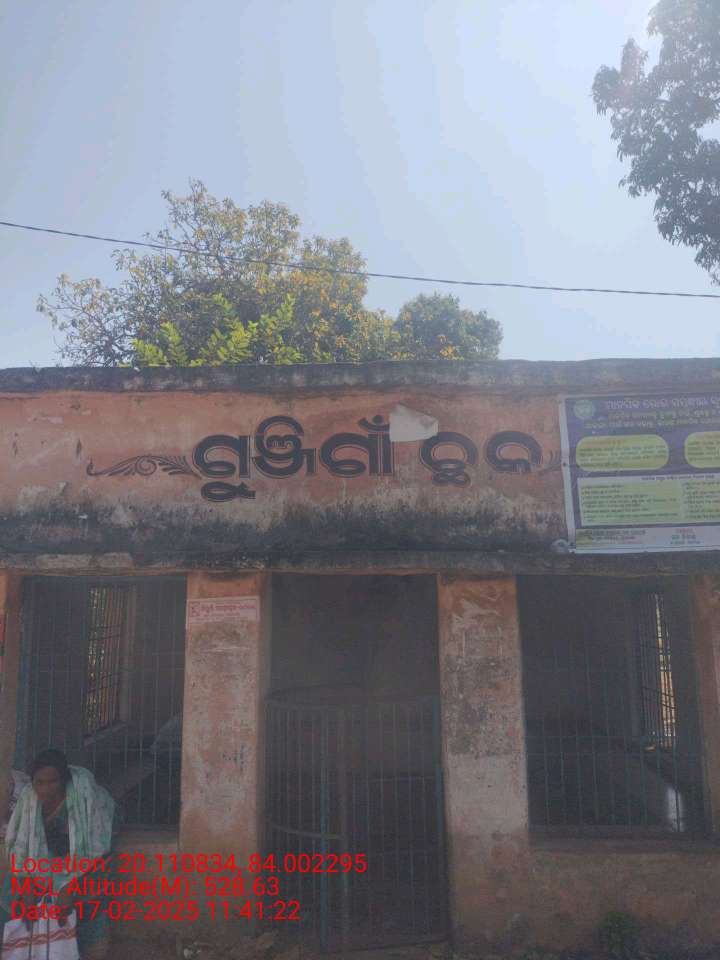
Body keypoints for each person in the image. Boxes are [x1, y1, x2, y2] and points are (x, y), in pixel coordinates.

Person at [0, 750, 118, 960]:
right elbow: (19, 847)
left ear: (64, 780)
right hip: (51, 851)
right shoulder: (28, 799)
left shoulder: (84, 796)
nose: (45, 789)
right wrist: (26, 884)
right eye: (40, 782)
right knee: (13, 887)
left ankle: (90, 950)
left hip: (91, 851)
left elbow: (96, 849)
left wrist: (69, 887)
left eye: (53, 782)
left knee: (89, 889)